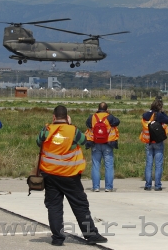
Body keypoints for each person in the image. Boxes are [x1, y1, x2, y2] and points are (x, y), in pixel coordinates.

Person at [36, 105, 108, 246]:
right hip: (70, 176)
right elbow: (85, 142)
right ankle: (91, 234)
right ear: (67, 117)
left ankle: (57, 238)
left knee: (54, 206)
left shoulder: (46, 130)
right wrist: (69, 126)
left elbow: (38, 142)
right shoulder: (73, 130)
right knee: (80, 205)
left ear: (54, 117)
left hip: (49, 175)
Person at [85, 102, 120, 192]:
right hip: (108, 144)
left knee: (96, 165)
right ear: (107, 109)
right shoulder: (110, 117)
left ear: (98, 108)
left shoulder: (92, 117)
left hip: (95, 144)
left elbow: (88, 124)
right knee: (109, 166)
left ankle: (96, 187)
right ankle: (108, 187)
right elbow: (117, 122)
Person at [139, 99, 168, 191]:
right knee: (158, 164)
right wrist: (163, 112)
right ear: (160, 107)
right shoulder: (159, 115)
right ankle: (157, 185)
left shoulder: (146, 115)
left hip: (148, 141)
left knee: (148, 164)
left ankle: (148, 185)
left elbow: (144, 117)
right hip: (158, 142)